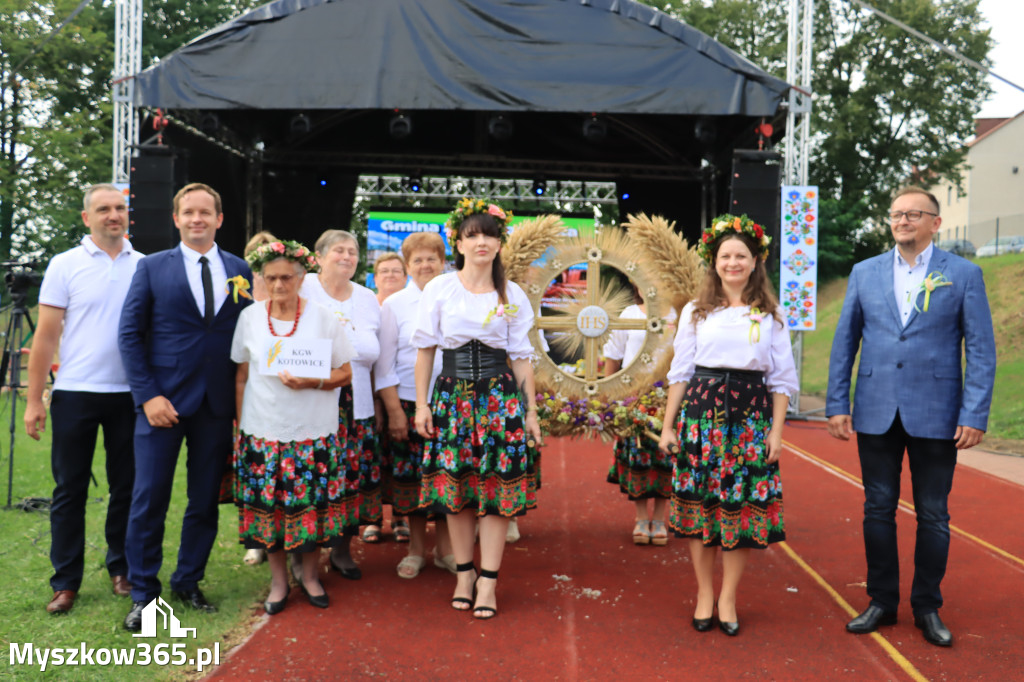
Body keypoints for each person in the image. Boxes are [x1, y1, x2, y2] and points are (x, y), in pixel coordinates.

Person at [826, 187, 996, 648]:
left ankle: (927, 606)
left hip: (937, 413)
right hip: (876, 409)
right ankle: (881, 600)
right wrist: (837, 402)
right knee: (877, 508)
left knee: (934, 515)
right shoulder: (865, 273)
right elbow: (846, 342)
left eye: (913, 214)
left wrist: (974, 412)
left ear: (935, 223)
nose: (903, 221)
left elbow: (981, 348)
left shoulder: (962, 275)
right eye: (897, 214)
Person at [118, 182, 252, 631]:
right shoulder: (153, 268)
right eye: (188, 212)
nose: (197, 219)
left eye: (205, 212)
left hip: (215, 406)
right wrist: (148, 396)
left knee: (203, 502)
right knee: (149, 498)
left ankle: (188, 580)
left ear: (219, 219)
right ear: (176, 219)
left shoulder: (240, 269)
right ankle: (143, 594)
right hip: (162, 403)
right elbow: (129, 336)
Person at [659, 214, 796, 637]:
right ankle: (704, 593)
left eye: (741, 256)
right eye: (725, 256)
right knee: (702, 510)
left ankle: (729, 597)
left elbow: (781, 379)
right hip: (702, 417)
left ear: (756, 262)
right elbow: (680, 372)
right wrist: (668, 426)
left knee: (738, 512)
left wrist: (776, 432)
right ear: (713, 262)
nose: (732, 263)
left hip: (751, 419)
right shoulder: (696, 313)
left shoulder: (770, 314)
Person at [412, 197, 541, 620]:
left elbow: (521, 356)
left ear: (500, 243)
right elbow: (425, 351)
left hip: (499, 398)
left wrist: (531, 412)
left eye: (489, 234)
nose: (481, 241)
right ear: (459, 243)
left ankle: (489, 580)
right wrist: (422, 406)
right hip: (451, 397)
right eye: (472, 235)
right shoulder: (440, 288)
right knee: (457, 490)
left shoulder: (513, 293)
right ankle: (463, 574)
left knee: (497, 491)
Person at [24, 184, 144, 614]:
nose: (114, 215)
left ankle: (123, 569)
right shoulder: (64, 264)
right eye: (104, 209)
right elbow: (45, 336)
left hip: (130, 396)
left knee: (127, 489)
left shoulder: (145, 266)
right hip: (75, 393)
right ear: (86, 217)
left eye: (120, 208)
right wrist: (34, 400)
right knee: (69, 491)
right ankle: (65, 582)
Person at [232, 240, 354, 613]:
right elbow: (241, 374)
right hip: (263, 430)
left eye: (287, 277)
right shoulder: (250, 317)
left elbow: (345, 372)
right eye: (271, 278)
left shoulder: (323, 318)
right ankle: (279, 583)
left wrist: (312, 381)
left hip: (312, 431)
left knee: (310, 508)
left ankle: (312, 576)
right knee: (270, 512)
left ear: (302, 277)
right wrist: (240, 427)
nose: (280, 285)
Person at [300, 230, 381, 578]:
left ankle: (342, 550)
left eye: (352, 251)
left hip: (358, 403)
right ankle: (303, 557)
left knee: (350, 479)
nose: (347, 256)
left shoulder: (367, 298)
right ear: (318, 256)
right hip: (311, 401)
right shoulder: (302, 288)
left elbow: (378, 356)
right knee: (312, 479)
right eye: (338, 250)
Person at [375, 233, 454, 578]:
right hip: (408, 403)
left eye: (431, 259)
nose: (425, 266)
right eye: (418, 260)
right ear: (408, 267)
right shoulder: (394, 305)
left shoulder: (457, 297)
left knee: (451, 480)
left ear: (444, 261)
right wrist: (394, 411)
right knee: (413, 482)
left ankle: (448, 551)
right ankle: (417, 550)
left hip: (452, 405)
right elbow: (384, 364)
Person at [603, 293, 672, 546]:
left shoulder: (678, 314)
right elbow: (613, 356)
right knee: (638, 455)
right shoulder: (629, 314)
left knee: (667, 457)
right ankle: (642, 518)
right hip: (633, 397)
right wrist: (609, 398)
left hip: (669, 396)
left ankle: (660, 518)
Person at [240, 231, 278, 568]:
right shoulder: (238, 297)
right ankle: (256, 541)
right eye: (256, 257)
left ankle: (283, 536)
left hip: (284, 397)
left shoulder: (291, 293)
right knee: (254, 472)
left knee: (280, 474)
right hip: (251, 395)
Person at [372, 250, 411, 542]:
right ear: (375, 278)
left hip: (404, 392)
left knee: (401, 456)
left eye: (396, 270)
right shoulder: (366, 306)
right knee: (375, 456)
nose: (390, 275)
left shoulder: (412, 306)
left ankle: (401, 516)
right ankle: (373, 518)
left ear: (406, 275)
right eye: (384, 271)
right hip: (369, 395)